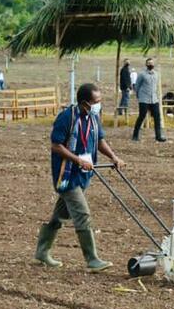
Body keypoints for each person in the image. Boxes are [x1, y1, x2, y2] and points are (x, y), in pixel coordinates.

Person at [34, 83, 122, 272]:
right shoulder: (67, 118)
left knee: (59, 216)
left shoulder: (93, 117)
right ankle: (92, 259)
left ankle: (42, 251)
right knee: (82, 214)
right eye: (96, 102)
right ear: (85, 103)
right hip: (67, 176)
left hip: (83, 176)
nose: (99, 104)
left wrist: (113, 157)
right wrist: (77, 160)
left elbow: (99, 141)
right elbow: (56, 145)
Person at [132, 57, 166, 143]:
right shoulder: (142, 74)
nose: (151, 64)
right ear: (146, 64)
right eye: (149, 63)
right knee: (141, 117)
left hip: (154, 99)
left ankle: (158, 136)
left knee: (157, 118)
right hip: (144, 99)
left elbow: (156, 86)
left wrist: (158, 96)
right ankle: (135, 135)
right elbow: (137, 87)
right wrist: (139, 97)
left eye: (152, 63)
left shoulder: (156, 74)